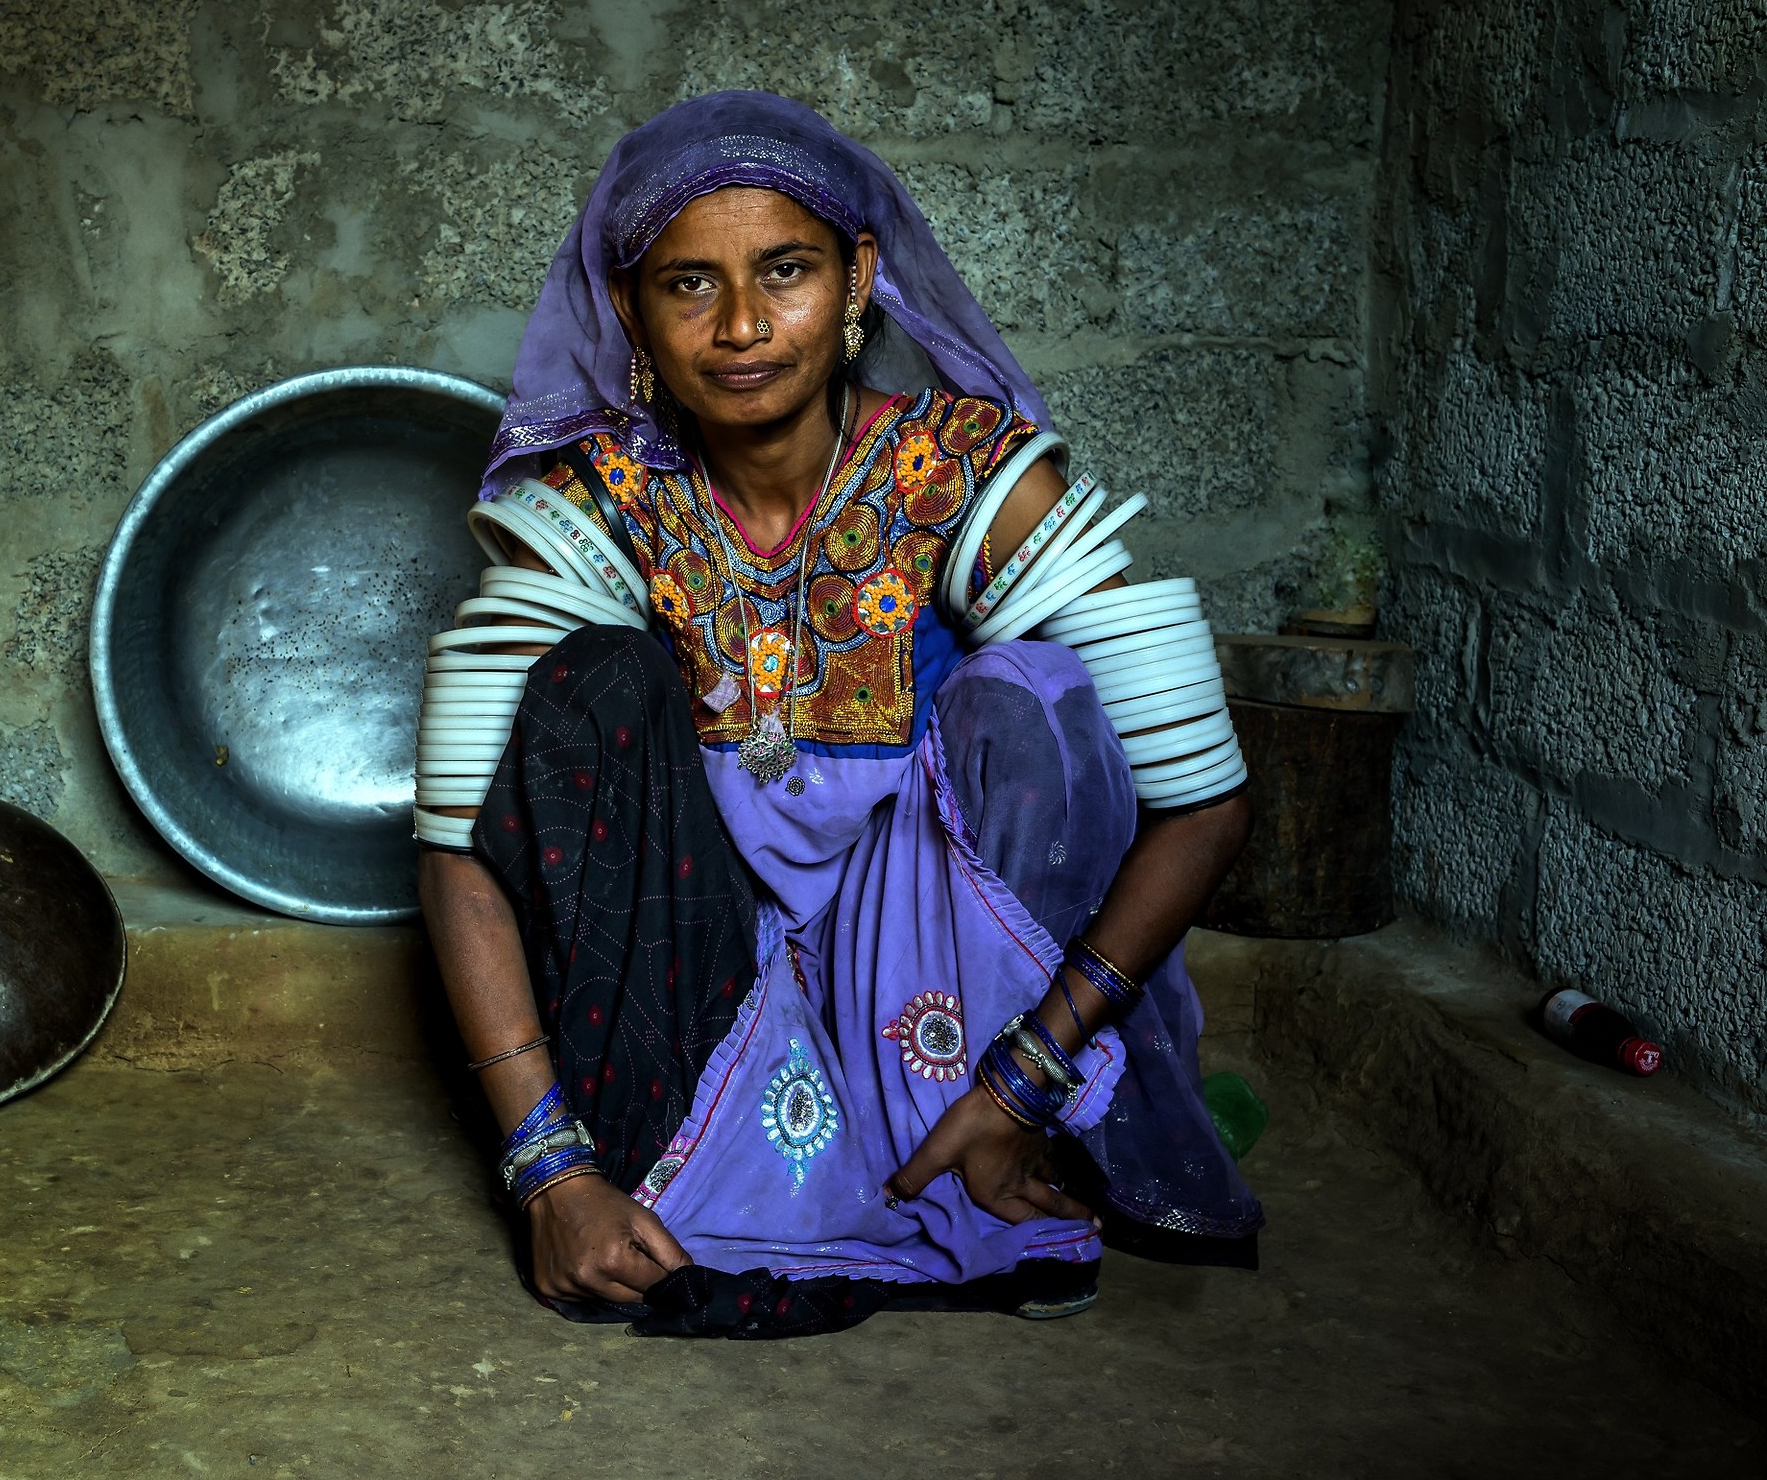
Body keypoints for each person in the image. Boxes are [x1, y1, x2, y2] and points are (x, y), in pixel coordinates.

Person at [415, 91, 1260, 1339]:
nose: (743, 326)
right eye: (688, 285)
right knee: (593, 686)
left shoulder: (967, 475)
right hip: (700, 986)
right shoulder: (600, 507)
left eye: (787, 271)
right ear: (629, 315)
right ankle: (672, 1167)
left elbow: (1205, 798)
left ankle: (979, 1137)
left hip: (941, 996)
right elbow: (456, 850)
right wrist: (551, 1166)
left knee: (1029, 702)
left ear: (860, 275)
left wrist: (1029, 1076)